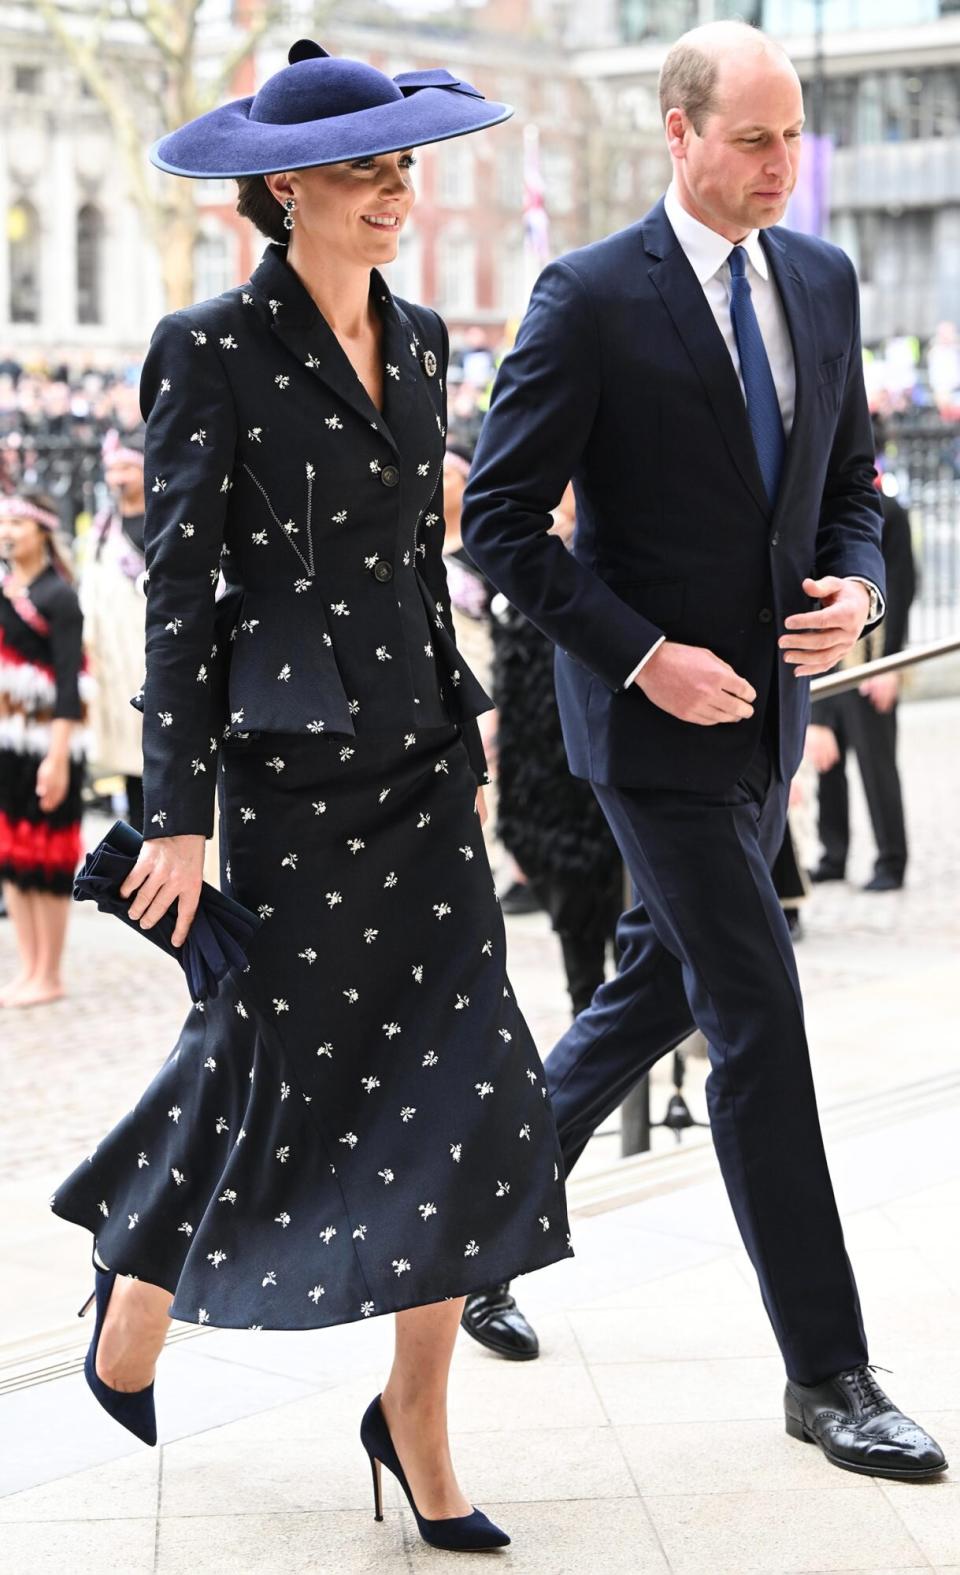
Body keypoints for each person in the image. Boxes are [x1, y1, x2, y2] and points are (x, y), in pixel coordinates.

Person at [49, 43, 571, 1554]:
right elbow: (181, 596)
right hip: (284, 786)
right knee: (268, 1066)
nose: (397, 193)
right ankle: (131, 1296)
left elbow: (420, 560)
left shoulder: (419, 343)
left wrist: (464, 724)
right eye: (367, 171)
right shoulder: (204, 347)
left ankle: (417, 1421)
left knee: (470, 1093)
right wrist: (175, 810)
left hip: (416, 765)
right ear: (289, 188)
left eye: (405, 168)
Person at [461, 20, 946, 1480]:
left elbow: (852, 485)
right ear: (678, 134)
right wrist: (640, 654)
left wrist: (857, 585)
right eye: (752, 139)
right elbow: (498, 527)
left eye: (792, 138)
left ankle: (468, 1227)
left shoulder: (825, 277)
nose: (780, 167)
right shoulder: (590, 295)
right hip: (645, 732)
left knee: (656, 984)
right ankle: (830, 1368)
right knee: (756, 1009)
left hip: (770, 724)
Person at [808, 425, 917, 891]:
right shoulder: (814, 510)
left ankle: (891, 860)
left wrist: (891, 667)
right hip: (826, 657)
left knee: (877, 765)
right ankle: (834, 855)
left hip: (870, 662)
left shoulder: (889, 512)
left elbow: (902, 591)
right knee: (827, 763)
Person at [0, 490, 88, 1005]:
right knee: (13, 855)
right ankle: (28, 967)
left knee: (49, 860)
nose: (7, 531)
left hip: (49, 746)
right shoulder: (8, 590)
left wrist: (57, 758)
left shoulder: (59, 597)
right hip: (10, 744)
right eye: (2, 522)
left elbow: (70, 687)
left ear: (43, 533)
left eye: (18, 522)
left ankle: (50, 973)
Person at [80, 429, 148, 831]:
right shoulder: (103, 529)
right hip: (117, 665)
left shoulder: (166, 521)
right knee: (129, 764)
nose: (118, 477)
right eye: (112, 469)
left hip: (157, 656)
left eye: (126, 467)